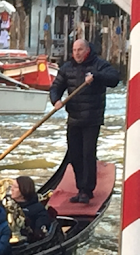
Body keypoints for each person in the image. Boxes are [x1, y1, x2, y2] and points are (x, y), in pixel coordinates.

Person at [49, 39, 120, 203]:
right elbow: (56, 87)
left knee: (88, 154)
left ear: (87, 50)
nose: (77, 53)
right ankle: (81, 187)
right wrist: (56, 100)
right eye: (74, 50)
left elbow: (114, 79)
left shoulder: (99, 65)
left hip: (92, 118)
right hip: (74, 117)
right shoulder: (67, 68)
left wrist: (96, 76)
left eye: (80, 50)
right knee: (75, 154)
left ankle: (87, 190)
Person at [11, 176, 52, 241]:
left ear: (24, 189)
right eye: (12, 186)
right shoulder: (8, 205)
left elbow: (39, 233)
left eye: (15, 187)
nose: (11, 189)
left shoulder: (38, 209)